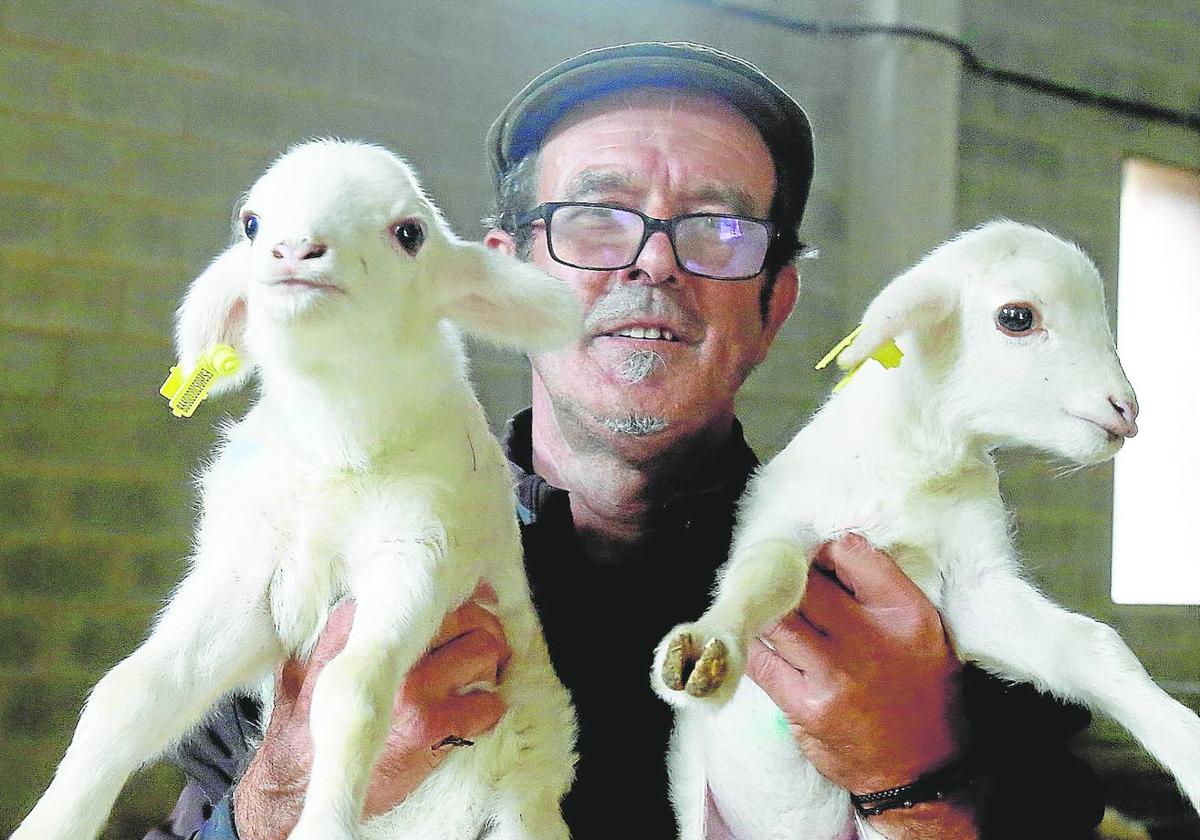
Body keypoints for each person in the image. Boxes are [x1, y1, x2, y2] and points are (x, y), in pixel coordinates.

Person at [148, 42, 1104, 840]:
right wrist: (284, 789)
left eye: (719, 229)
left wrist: (918, 778)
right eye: (593, 221)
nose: (652, 262)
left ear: (775, 306)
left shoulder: (912, 613)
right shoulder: (311, 587)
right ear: (502, 282)